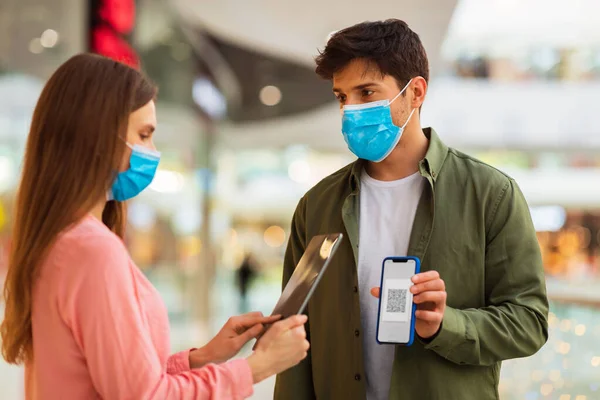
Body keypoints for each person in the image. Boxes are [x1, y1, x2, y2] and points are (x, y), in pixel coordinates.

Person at [0, 53, 309, 400]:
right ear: (97, 134)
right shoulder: (92, 250)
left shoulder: (60, 238)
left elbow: (118, 379)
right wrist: (259, 367)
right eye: (144, 135)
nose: (153, 151)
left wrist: (202, 357)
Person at [274, 19, 548, 400]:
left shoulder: (491, 195)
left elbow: (529, 322)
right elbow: (292, 334)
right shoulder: (316, 206)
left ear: (415, 92)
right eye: (341, 97)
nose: (350, 110)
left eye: (367, 92)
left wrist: (445, 325)